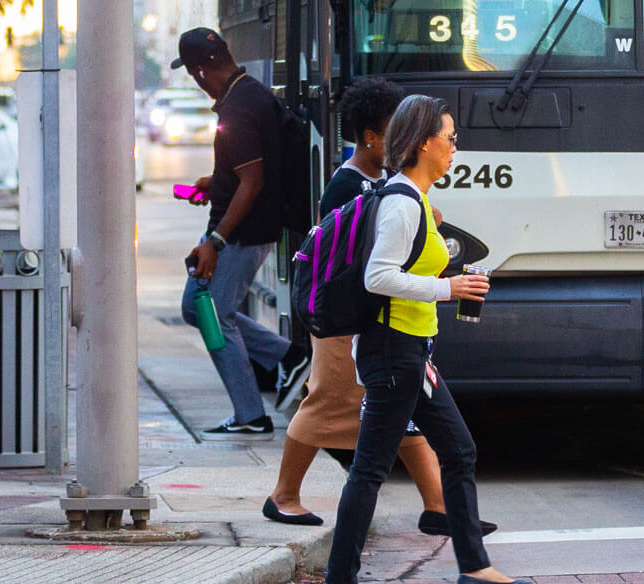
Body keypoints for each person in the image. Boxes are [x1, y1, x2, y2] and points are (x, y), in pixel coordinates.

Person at [263, 77, 496, 539]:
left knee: (399, 413)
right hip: (350, 320)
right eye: (394, 131)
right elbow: (366, 266)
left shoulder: (386, 185)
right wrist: (443, 283)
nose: (402, 141)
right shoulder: (351, 186)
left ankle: (438, 506)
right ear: (371, 136)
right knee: (326, 404)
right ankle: (284, 496)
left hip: (382, 323)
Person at [324, 95, 527, 584]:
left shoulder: (410, 197)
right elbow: (378, 277)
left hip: (411, 351)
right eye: (451, 138)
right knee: (370, 469)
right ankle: (340, 577)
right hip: (393, 353)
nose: (456, 147)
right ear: (422, 143)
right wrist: (448, 288)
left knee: (458, 451)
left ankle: (474, 567)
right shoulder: (400, 204)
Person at [173, 27, 293, 436]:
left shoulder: (238, 110)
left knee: (214, 315)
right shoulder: (248, 95)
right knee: (197, 307)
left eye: (191, 73)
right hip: (244, 225)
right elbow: (246, 170)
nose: (194, 81)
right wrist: (216, 181)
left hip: (242, 233)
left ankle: (251, 414)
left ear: (203, 71)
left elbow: (253, 182)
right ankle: (287, 357)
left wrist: (215, 242)